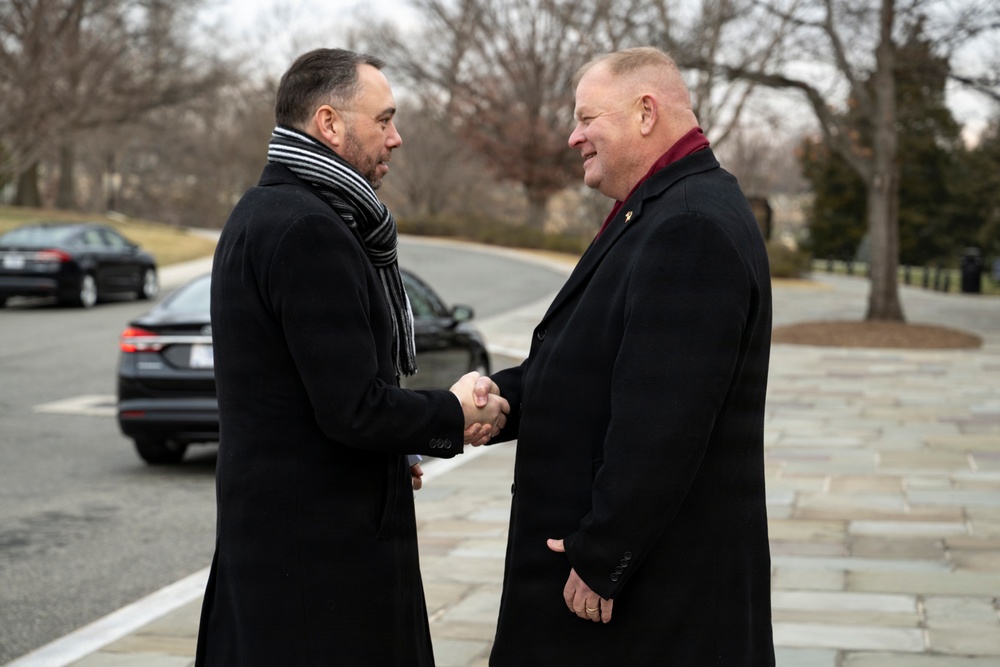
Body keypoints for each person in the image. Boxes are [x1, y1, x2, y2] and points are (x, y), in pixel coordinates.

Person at [194, 48, 508, 667]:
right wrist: (450, 410)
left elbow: (301, 391)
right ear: (330, 124)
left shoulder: (261, 212)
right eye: (384, 120)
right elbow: (352, 409)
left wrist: (400, 448)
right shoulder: (309, 229)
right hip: (319, 560)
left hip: (280, 538)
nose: (397, 138)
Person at [484, 47, 775, 665]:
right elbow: (590, 367)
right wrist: (494, 400)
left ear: (646, 112)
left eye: (587, 118)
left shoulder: (689, 226)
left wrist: (603, 553)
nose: (573, 136)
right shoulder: (658, 210)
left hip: (646, 608)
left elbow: (663, 424)